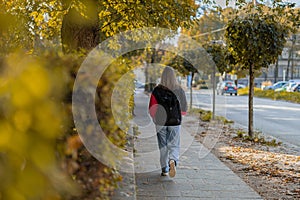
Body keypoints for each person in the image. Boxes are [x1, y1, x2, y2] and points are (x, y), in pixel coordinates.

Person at [148, 66, 187, 177]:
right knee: (174, 145)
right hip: (175, 121)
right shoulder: (179, 90)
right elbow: (184, 106)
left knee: (163, 146)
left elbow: (152, 107)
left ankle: (164, 169)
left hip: (160, 122)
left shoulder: (157, 90)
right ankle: (173, 161)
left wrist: (154, 117)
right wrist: (180, 115)